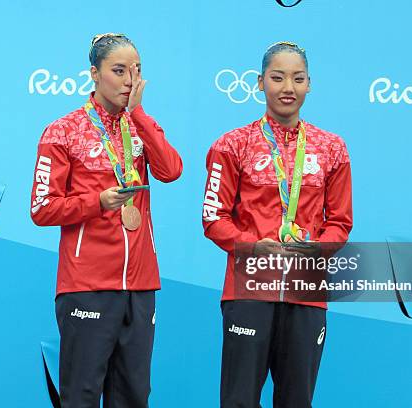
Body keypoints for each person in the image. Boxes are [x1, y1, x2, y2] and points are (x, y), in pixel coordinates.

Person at [30, 33, 182, 408]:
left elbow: (171, 170)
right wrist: (97, 202)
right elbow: (42, 208)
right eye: (119, 70)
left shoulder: (140, 126)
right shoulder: (63, 131)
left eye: (137, 71)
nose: (130, 80)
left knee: (134, 396)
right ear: (94, 74)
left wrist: (140, 115)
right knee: (81, 395)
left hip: (141, 285)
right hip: (87, 283)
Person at [202, 41, 352, 407]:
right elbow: (213, 218)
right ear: (259, 82)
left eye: (297, 79)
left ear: (309, 84)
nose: (288, 88)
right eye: (278, 78)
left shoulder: (332, 147)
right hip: (250, 288)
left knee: (297, 400)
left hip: (306, 289)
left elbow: (340, 223)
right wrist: (252, 245)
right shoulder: (232, 144)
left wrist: (318, 249)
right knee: (239, 400)